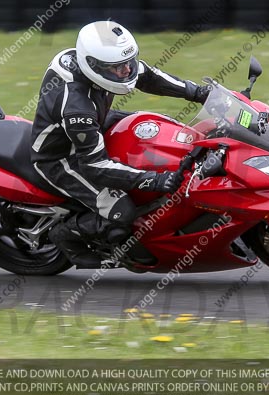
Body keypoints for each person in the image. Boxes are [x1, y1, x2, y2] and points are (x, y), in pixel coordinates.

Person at [30, 20, 210, 268]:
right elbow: (95, 165)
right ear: (93, 66)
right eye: (118, 67)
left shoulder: (99, 63)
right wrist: (154, 180)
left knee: (157, 126)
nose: (127, 71)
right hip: (62, 157)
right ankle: (65, 235)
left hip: (96, 123)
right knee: (122, 210)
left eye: (129, 62)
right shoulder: (76, 107)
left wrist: (199, 93)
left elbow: (148, 76)